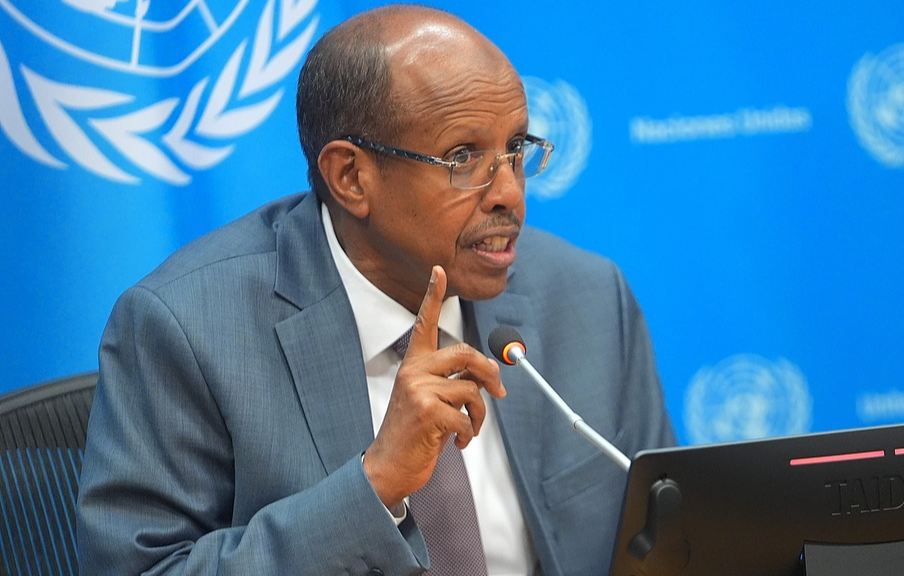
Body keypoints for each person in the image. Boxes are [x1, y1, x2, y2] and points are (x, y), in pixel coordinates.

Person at [76, 5, 675, 576]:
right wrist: (375, 484)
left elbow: (668, 535)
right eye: (463, 158)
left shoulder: (587, 298)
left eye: (515, 150)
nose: (510, 194)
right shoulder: (186, 328)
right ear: (351, 177)